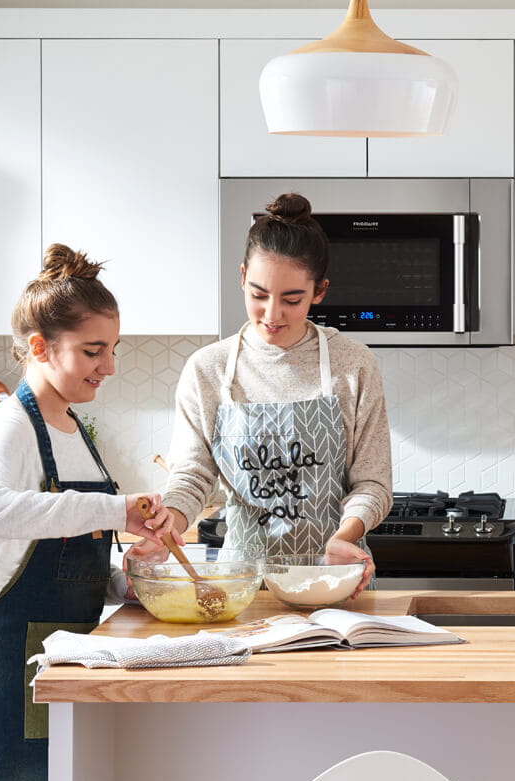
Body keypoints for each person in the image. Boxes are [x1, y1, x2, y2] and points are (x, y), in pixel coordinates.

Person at [0, 244, 174, 781]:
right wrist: (117, 509)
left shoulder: (73, 428)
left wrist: (128, 578)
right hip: (8, 653)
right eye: (93, 351)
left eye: (113, 350)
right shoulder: (9, 425)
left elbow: (69, 553)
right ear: (40, 347)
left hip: (61, 656)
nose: (109, 366)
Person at [132, 193, 389, 586]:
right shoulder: (209, 369)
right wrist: (168, 530)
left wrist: (345, 536)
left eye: (292, 299)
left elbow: (372, 483)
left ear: (319, 291)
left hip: (334, 579)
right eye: (258, 294)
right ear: (241, 277)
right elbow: (192, 476)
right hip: (241, 585)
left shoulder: (353, 365)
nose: (272, 314)